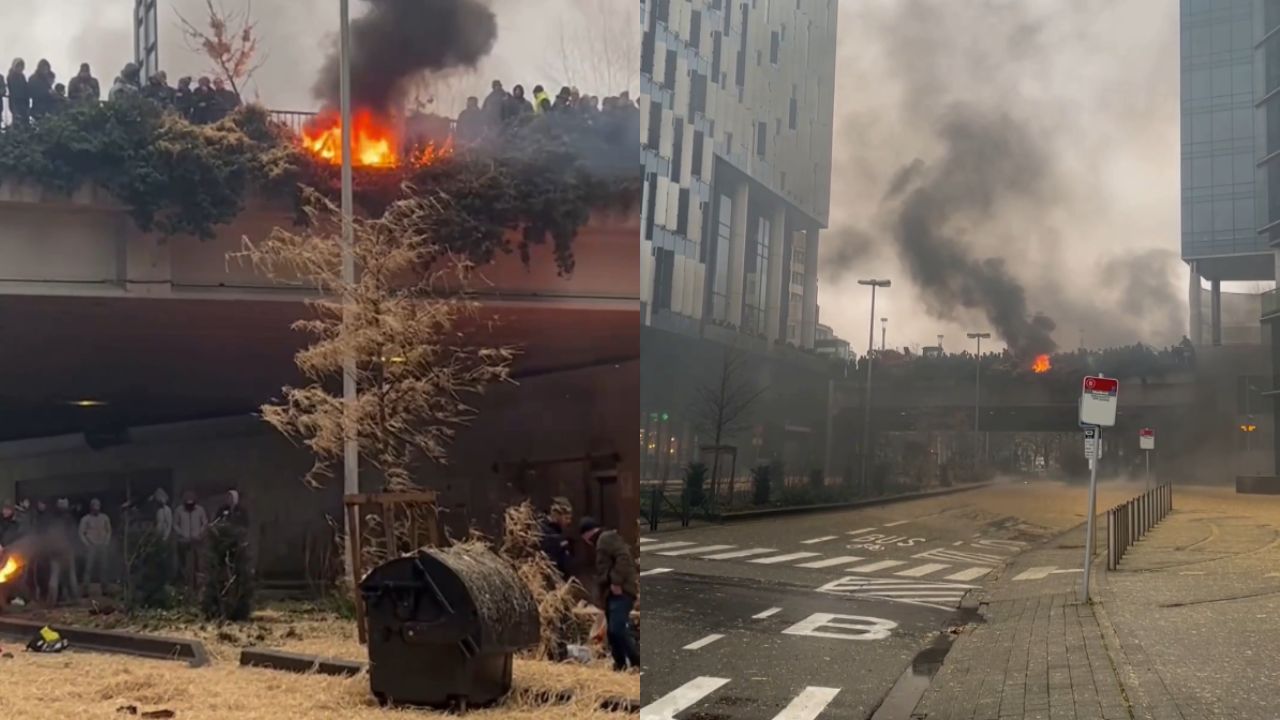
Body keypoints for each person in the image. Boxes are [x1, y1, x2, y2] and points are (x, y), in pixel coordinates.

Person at [580, 517, 640, 671]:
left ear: (586, 534)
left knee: (616, 629)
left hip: (620, 591)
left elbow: (623, 558)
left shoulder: (606, 538)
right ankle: (620, 664)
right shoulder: (604, 540)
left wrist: (616, 582)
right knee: (612, 633)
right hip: (611, 593)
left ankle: (635, 661)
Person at [46, 498, 80, 604]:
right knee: (71, 576)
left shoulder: (52, 519)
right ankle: (75, 598)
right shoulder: (69, 519)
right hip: (66, 550)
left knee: (55, 576)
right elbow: (74, 535)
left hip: (56, 551)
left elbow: (48, 535)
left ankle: (52, 600)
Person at [174, 491, 208, 591]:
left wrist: (200, 533)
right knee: (183, 563)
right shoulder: (179, 510)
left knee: (198, 563)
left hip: (196, 540)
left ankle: (197, 585)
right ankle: (184, 584)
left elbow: (204, 523)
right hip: (183, 541)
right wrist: (181, 533)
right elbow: (175, 524)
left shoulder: (200, 510)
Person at [78, 498, 112, 591]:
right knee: (88, 568)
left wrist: (106, 542)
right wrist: (86, 544)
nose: (96, 508)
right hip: (91, 546)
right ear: (91, 507)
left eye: (98, 506)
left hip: (102, 545)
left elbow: (108, 531)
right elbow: (81, 533)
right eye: (94, 506)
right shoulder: (85, 519)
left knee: (104, 568)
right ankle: (85, 589)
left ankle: (105, 588)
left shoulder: (105, 518)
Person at [539, 498, 574, 581]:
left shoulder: (557, 532)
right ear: (556, 515)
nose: (569, 522)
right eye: (566, 518)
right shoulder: (544, 531)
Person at [7, 58, 29, 124]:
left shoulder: (22, 76)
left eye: (21, 66)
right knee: (17, 119)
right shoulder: (11, 76)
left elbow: (25, 88)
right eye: (18, 66)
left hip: (24, 101)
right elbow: (13, 89)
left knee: (25, 120)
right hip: (15, 102)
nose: (20, 68)